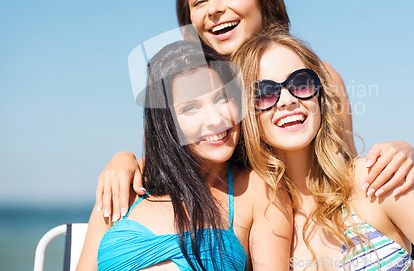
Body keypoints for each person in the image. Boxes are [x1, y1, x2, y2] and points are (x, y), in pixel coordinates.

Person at [96, 0, 414, 222]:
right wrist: (124, 160)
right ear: (188, 26)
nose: (215, 9)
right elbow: (163, 166)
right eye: (199, 2)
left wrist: (401, 150)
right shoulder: (178, 93)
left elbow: (344, 166)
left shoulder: (320, 77)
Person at [232, 28, 414, 271]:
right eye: (265, 93)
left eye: (301, 83)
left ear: (319, 95)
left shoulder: (376, 180)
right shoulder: (259, 219)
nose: (288, 100)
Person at [77, 40, 292, 271]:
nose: (215, 119)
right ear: (165, 124)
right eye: (191, 108)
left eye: (221, 98)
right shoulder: (124, 186)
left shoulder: (257, 191)